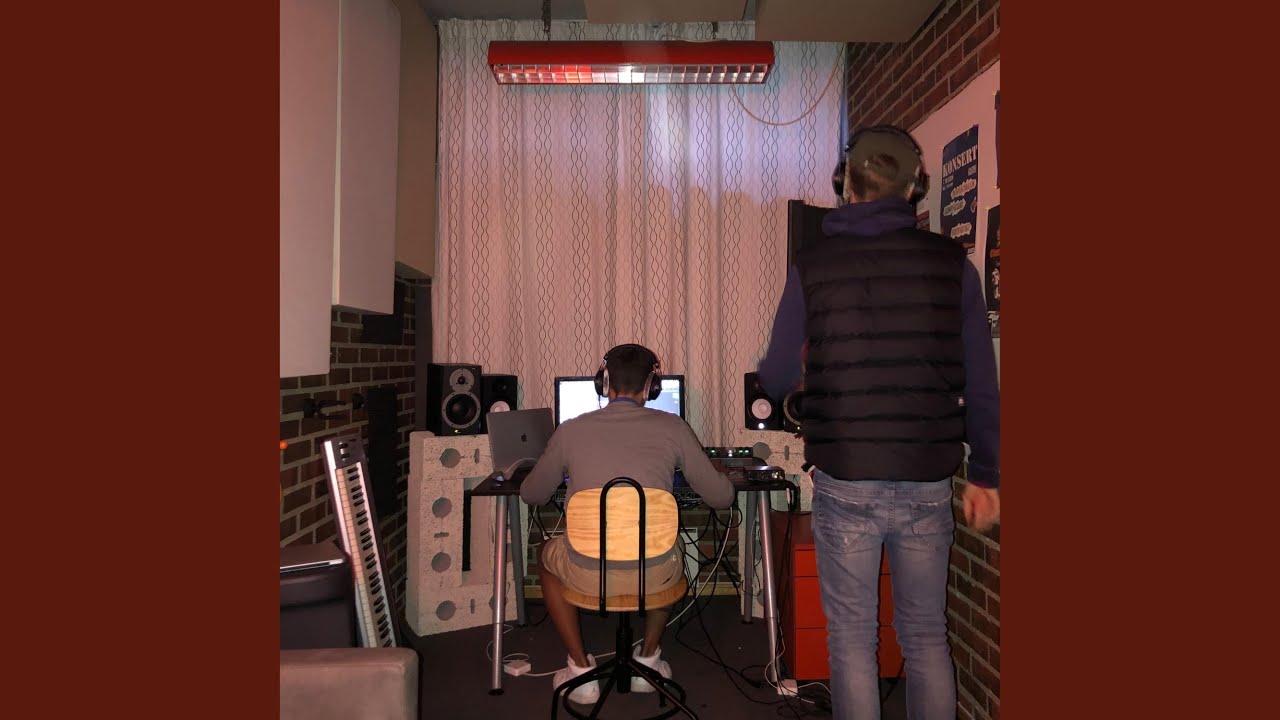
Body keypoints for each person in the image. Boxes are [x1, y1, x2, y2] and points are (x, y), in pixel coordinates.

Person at [757, 126, 1001, 720]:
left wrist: (813, 381)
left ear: (845, 184)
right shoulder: (953, 266)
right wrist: (986, 474)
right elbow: (982, 383)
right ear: (916, 187)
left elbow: (775, 376)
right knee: (926, 634)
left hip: (846, 477)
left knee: (851, 638)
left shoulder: (814, 266)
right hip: (926, 480)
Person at [520, 343, 736, 706]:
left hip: (587, 574)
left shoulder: (571, 430)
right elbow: (722, 498)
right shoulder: (674, 427)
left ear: (603, 382)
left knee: (546, 553)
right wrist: (717, 472)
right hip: (655, 574)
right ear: (652, 385)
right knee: (671, 545)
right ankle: (648, 662)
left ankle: (579, 672)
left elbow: (532, 494)